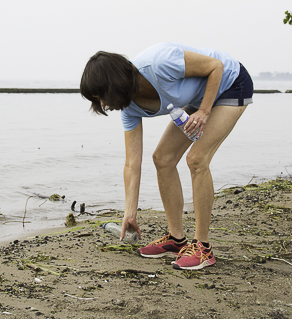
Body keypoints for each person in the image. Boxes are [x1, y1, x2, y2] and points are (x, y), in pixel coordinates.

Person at [80, 42, 253, 270]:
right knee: (162, 159)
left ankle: (203, 247)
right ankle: (176, 238)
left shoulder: (159, 62)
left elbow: (215, 67)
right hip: (197, 100)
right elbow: (132, 164)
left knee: (197, 159)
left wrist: (204, 112)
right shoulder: (129, 109)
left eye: (101, 96)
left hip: (230, 83)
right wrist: (130, 214)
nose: (102, 104)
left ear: (115, 82)